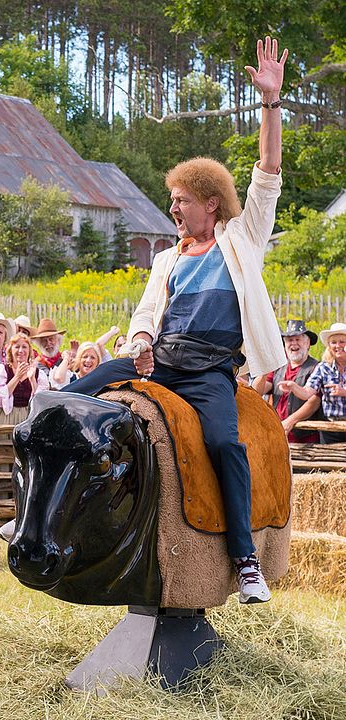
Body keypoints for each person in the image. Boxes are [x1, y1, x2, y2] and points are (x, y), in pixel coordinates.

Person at [59, 37, 290, 604]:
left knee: (225, 444)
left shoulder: (242, 241)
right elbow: (144, 316)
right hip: (160, 361)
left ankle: (245, 560)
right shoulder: (165, 259)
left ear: (211, 202)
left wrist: (270, 104)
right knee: (67, 398)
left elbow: (267, 172)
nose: (174, 208)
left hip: (209, 373)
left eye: (182, 199)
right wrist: (139, 342)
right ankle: (47, 522)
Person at [251, 320, 321, 443]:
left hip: (305, 439)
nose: (293, 344)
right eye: (289, 340)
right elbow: (257, 391)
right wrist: (264, 371)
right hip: (277, 435)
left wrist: (291, 421)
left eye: (298, 339)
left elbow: (315, 401)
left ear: (308, 343)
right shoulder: (278, 368)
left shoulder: (316, 367)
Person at [278, 322, 346, 445]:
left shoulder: (313, 365)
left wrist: (344, 392)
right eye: (334, 342)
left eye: (342, 342)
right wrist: (293, 386)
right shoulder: (324, 368)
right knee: (330, 462)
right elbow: (307, 393)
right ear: (329, 346)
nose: (338, 346)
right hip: (331, 427)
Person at [0, 334, 48, 426]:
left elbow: (41, 401)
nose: (20, 350)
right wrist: (17, 377)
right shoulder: (2, 370)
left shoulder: (39, 374)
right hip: (7, 418)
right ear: (10, 350)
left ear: (29, 350)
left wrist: (32, 379)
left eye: (24, 347)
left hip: (29, 418)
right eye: (17, 347)